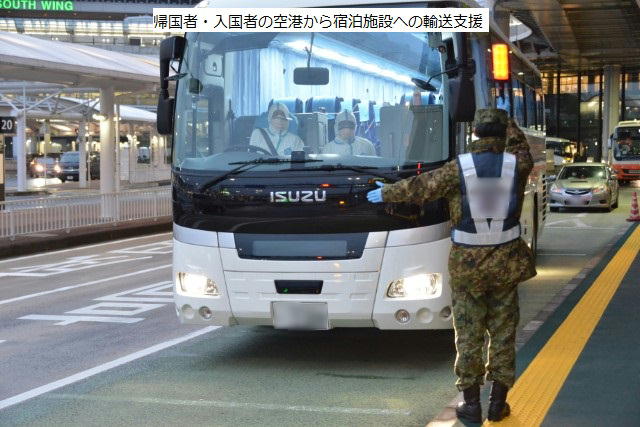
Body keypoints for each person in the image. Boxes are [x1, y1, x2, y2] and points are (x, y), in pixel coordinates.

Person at [367, 109, 536, 423]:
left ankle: (471, 404)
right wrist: (508, 121)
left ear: (475, 133)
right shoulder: (518, 164)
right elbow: (521, 145)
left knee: (469, 334)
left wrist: (386, 192)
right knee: (503, 333)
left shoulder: (459, 167)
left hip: (467, 267)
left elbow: (420, 187)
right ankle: (498, 403)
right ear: (504, 133)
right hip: (506, 264)